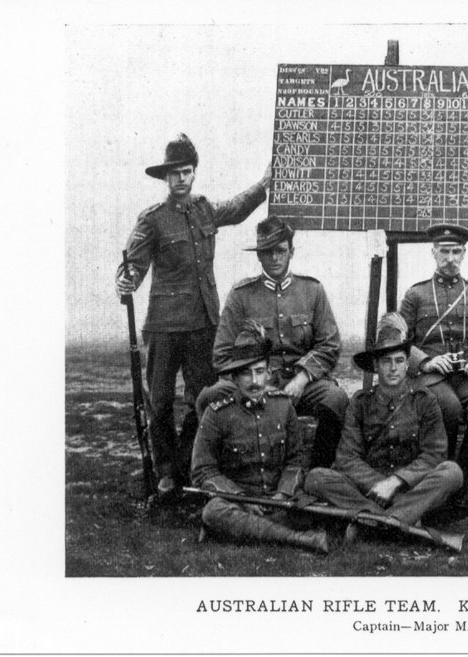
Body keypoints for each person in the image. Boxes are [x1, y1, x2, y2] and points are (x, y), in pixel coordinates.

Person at [116, 133, 272, 494]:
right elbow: (132, 265)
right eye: (174, 174)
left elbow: (237, 207)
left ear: (193, 174)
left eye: (186, 172)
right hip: (164, 326)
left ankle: (188, 464)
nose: (181, 179)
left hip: (203, 324)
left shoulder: (205, 210)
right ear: (165, 178)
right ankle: (165, 471)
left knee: (200, 398)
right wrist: (126, 281)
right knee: (159, 400)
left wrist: (264, 185)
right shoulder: (152, 220)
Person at [202, 217, 349, 469]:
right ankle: (222, 471)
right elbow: (222, 355)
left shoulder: (312, 290)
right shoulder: (241, 296)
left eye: (280, 250)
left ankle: (318, 471)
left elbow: (330, 344)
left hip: (302, 384)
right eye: (267, 252)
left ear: (291, 251)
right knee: (210, 397)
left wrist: (302, 378)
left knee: (336, 399)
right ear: (259, 256)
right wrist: (258, 382)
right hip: (254, 382)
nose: (274, 258)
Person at [304, 313, 463, 538]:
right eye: (386, 361)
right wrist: (380, 484)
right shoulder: (359, 403)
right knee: (316, 477)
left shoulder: (425, 401)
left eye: (399, 361)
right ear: (376, 366)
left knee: (452, 472)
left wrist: (397, 482)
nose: (393, 368)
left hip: (411, 487)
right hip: (370, 490)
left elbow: (434, 455)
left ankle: (370, 523)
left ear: (408, 364)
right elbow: (347, 458)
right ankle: (400, 519)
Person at [190, 324, 329, 553]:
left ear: (268, 373)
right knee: (214, 511)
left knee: (311, 506)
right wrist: (242, 499)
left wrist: (282, 494)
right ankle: (300, 540)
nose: (254, 381)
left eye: (259, 371)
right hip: (239, 503)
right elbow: (203, 470)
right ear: (234, 377)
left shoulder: (283, 406)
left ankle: (250, 530)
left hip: (279, 501)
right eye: (246, 373)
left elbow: (295, 460)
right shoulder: (216, 414)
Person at [399, 223, 468, 478]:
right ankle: (440, 471)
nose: (450, 259)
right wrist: (425, 362)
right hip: (431, 376)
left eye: (456, 252)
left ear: (464, 254)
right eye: (445, 252)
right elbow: (398, 340)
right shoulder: (416, 295)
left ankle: (465, 470)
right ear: (433, 252)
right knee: (448, 407)